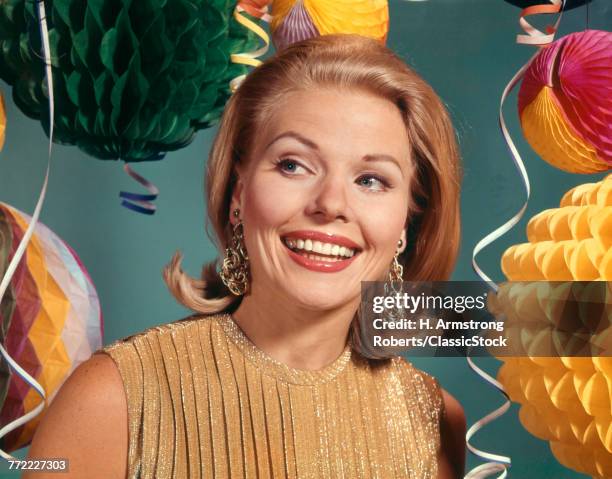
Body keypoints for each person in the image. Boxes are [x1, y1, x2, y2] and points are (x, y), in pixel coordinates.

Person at [26, 34, 466, 478]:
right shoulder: (109, 398)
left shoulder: (435, 419)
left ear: (407, 222)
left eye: (371, 180)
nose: (331, 204)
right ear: (239, 193)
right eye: (294, 165)